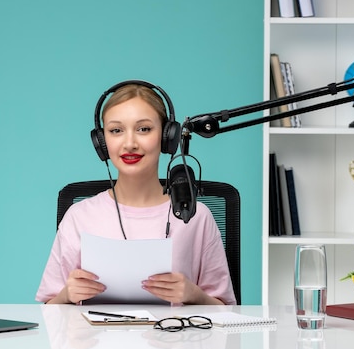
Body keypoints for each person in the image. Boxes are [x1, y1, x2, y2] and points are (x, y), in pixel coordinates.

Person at [36, 81, 236, 305]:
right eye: (116, 130)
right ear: (102, 142)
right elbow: (48, 313)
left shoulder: (196, 215)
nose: (129, 143)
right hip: (96, 340)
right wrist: (66, 296)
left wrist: (194, 295)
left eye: (144, 129)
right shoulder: (78, 216)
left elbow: (227, 311)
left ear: (166, 137)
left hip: (175, 338)